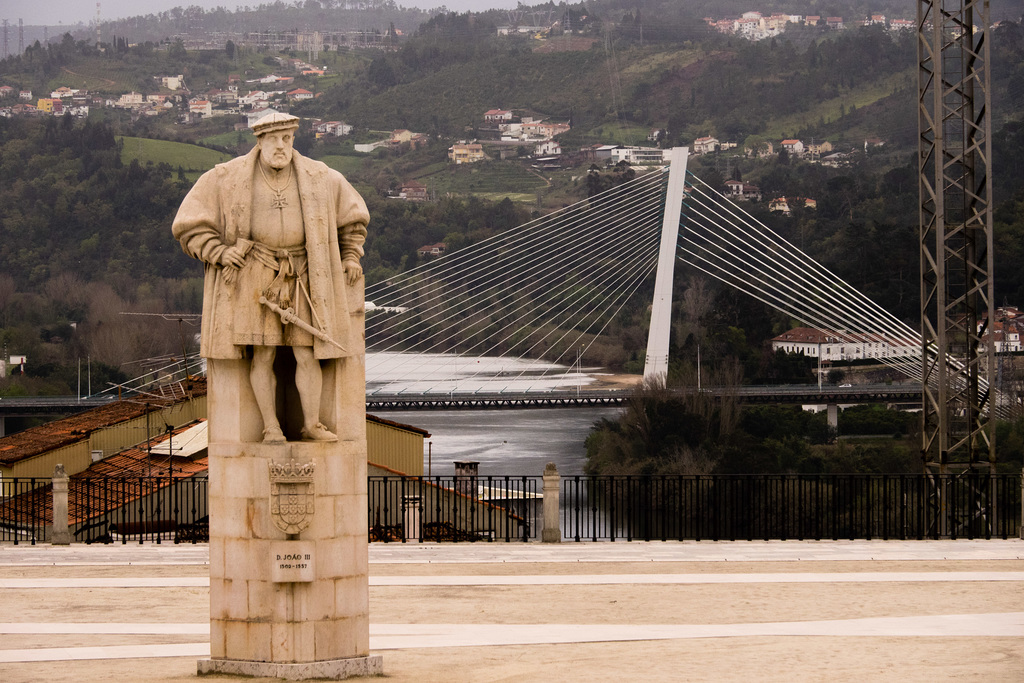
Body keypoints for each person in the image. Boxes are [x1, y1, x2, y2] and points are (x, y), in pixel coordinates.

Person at [172, 112, 369, 443]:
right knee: (263, 353)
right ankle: (270, 427)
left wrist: (350, 256)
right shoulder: (226, 177)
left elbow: (352, 219)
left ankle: (310, 424)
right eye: (275, 139)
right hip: (255, 272)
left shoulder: (321, 177)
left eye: (288, 138)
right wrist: (219, 252)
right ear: (259, 140)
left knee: (307, 352)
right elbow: (189, 224)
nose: (282, 146)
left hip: (306, 273)